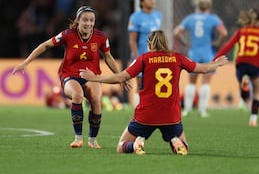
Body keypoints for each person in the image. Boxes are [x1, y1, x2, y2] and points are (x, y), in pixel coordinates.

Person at [79, 30, 228, 155]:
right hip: (171, 115)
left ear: (150, 44)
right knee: (184, 147)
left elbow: (121, 77)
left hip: (146, 115)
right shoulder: (177, 58)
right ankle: (175, 141)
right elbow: (201, 68)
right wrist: (216, 63)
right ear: (165, 43)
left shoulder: (144, 59)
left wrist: (95, 78)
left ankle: (136, 144)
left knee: (121, 146)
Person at [12, 5, 122, 148]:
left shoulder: (101, 37)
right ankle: (78, 139)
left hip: (91, 76)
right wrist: (26, 62)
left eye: (91, 21)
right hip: (70, 74)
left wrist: (120, 76)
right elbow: (45, 45)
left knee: (95, 99)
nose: (88, 24)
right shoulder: (68, 35)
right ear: (78, 20)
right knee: (77, 95)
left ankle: (93, 140)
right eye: (85, 20)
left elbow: (108, 57)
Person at [173, 0, 228, 118]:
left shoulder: (190, 18)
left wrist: (184, 43)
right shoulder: (213, 18)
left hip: (194, 52)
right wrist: (218, 43)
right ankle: (202, 110)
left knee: (192, 82)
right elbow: (224, 33)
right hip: (208, 52)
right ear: (209, 5)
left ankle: (186, 110)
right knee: (206, 82)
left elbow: (176, 33)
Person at [128, 0, 162, 107]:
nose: (152, 1)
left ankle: (150, 109)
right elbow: (132, 40)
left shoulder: (158, 15)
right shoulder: (135, 17)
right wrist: (137, 57)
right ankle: (138, 110)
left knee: (153, 84)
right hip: (141, 55)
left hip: (155, 56)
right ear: (142, 2)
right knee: (140, 85)